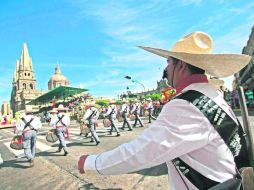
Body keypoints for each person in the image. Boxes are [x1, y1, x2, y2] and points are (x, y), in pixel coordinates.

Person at [78, 31, 251, 189]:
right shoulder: (211, 94)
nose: (166, 69)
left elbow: (141, 152)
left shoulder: (185, 104)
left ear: (181, 65)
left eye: (168, 62)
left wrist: (91, 163)